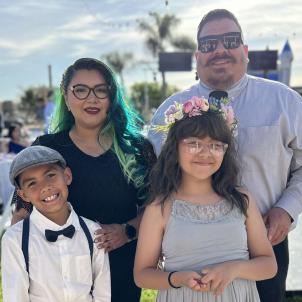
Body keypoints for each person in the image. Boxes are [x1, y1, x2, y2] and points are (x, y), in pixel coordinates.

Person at [147, 9, 302, 301]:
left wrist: (287, 208)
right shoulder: (169, 112)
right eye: (208, 44)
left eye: (230, 40)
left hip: (265, 246)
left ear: (245, 51)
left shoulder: (285, 102)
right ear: (197, 56)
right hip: (190, 251)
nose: (219, 49)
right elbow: (159, 176)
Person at [12, 57, 156, 302]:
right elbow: (22, 213)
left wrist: (127, 231)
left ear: (112, 98)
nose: (92, 98)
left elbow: (156, 206)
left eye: (101, 90)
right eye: (80, 90)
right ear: (66, 97)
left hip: (120, 268)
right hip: (59, 274)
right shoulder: (47, 149)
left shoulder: (136, 148)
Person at [135, 97, 277, 301]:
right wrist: (177, 279)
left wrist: (235, 268)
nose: (205, 153)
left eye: (215, 145)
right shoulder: (160, 207)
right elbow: (142, 275)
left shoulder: (242, 200)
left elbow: (269, 265)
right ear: (175, 148)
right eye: (193, 143)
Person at [2, 145, 110, 302]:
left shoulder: (93, 232)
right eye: (32, 183)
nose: (45, 186)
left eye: (50, 175)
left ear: (67, 176)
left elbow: (102, 293)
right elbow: (15, 296)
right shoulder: (15, 239)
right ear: (23, 195)